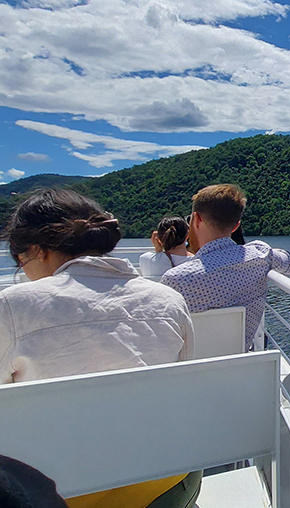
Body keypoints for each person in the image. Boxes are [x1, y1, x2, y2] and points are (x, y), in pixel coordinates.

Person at [0, 189, 199, 508]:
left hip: (64, 495)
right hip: (171, 481)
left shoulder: (12, 306)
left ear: (38, 250)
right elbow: (179, 385)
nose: (23, 272)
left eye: (20, 261)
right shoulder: (169, 299)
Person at [161, 184, 290, 351]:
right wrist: (261, 248)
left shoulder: (175, 280)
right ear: (236, 226)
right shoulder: (260, 257)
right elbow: (288, 262)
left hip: (190, 373)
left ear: (196, 219)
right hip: (237, 368)